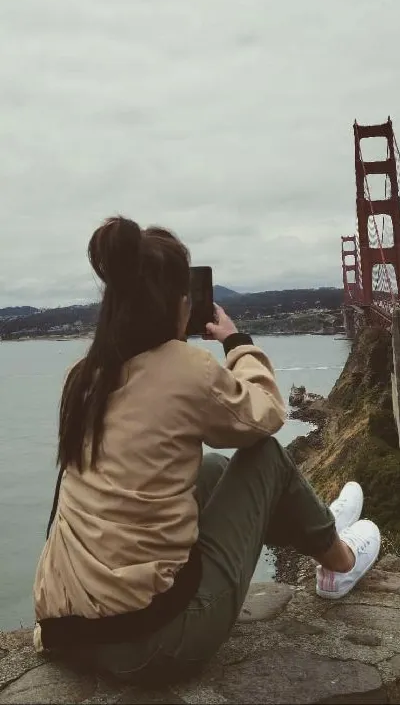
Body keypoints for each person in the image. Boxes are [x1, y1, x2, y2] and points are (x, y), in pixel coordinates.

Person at [33, 216, 381, 682]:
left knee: (213, 468)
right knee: (266, 457)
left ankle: (316, 527)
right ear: (180, 303)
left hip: (69, 632)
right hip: (155, 644)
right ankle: (338, 563)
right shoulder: (185, 368)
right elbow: (266, 415)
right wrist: (237, 342)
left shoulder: (84, 376)